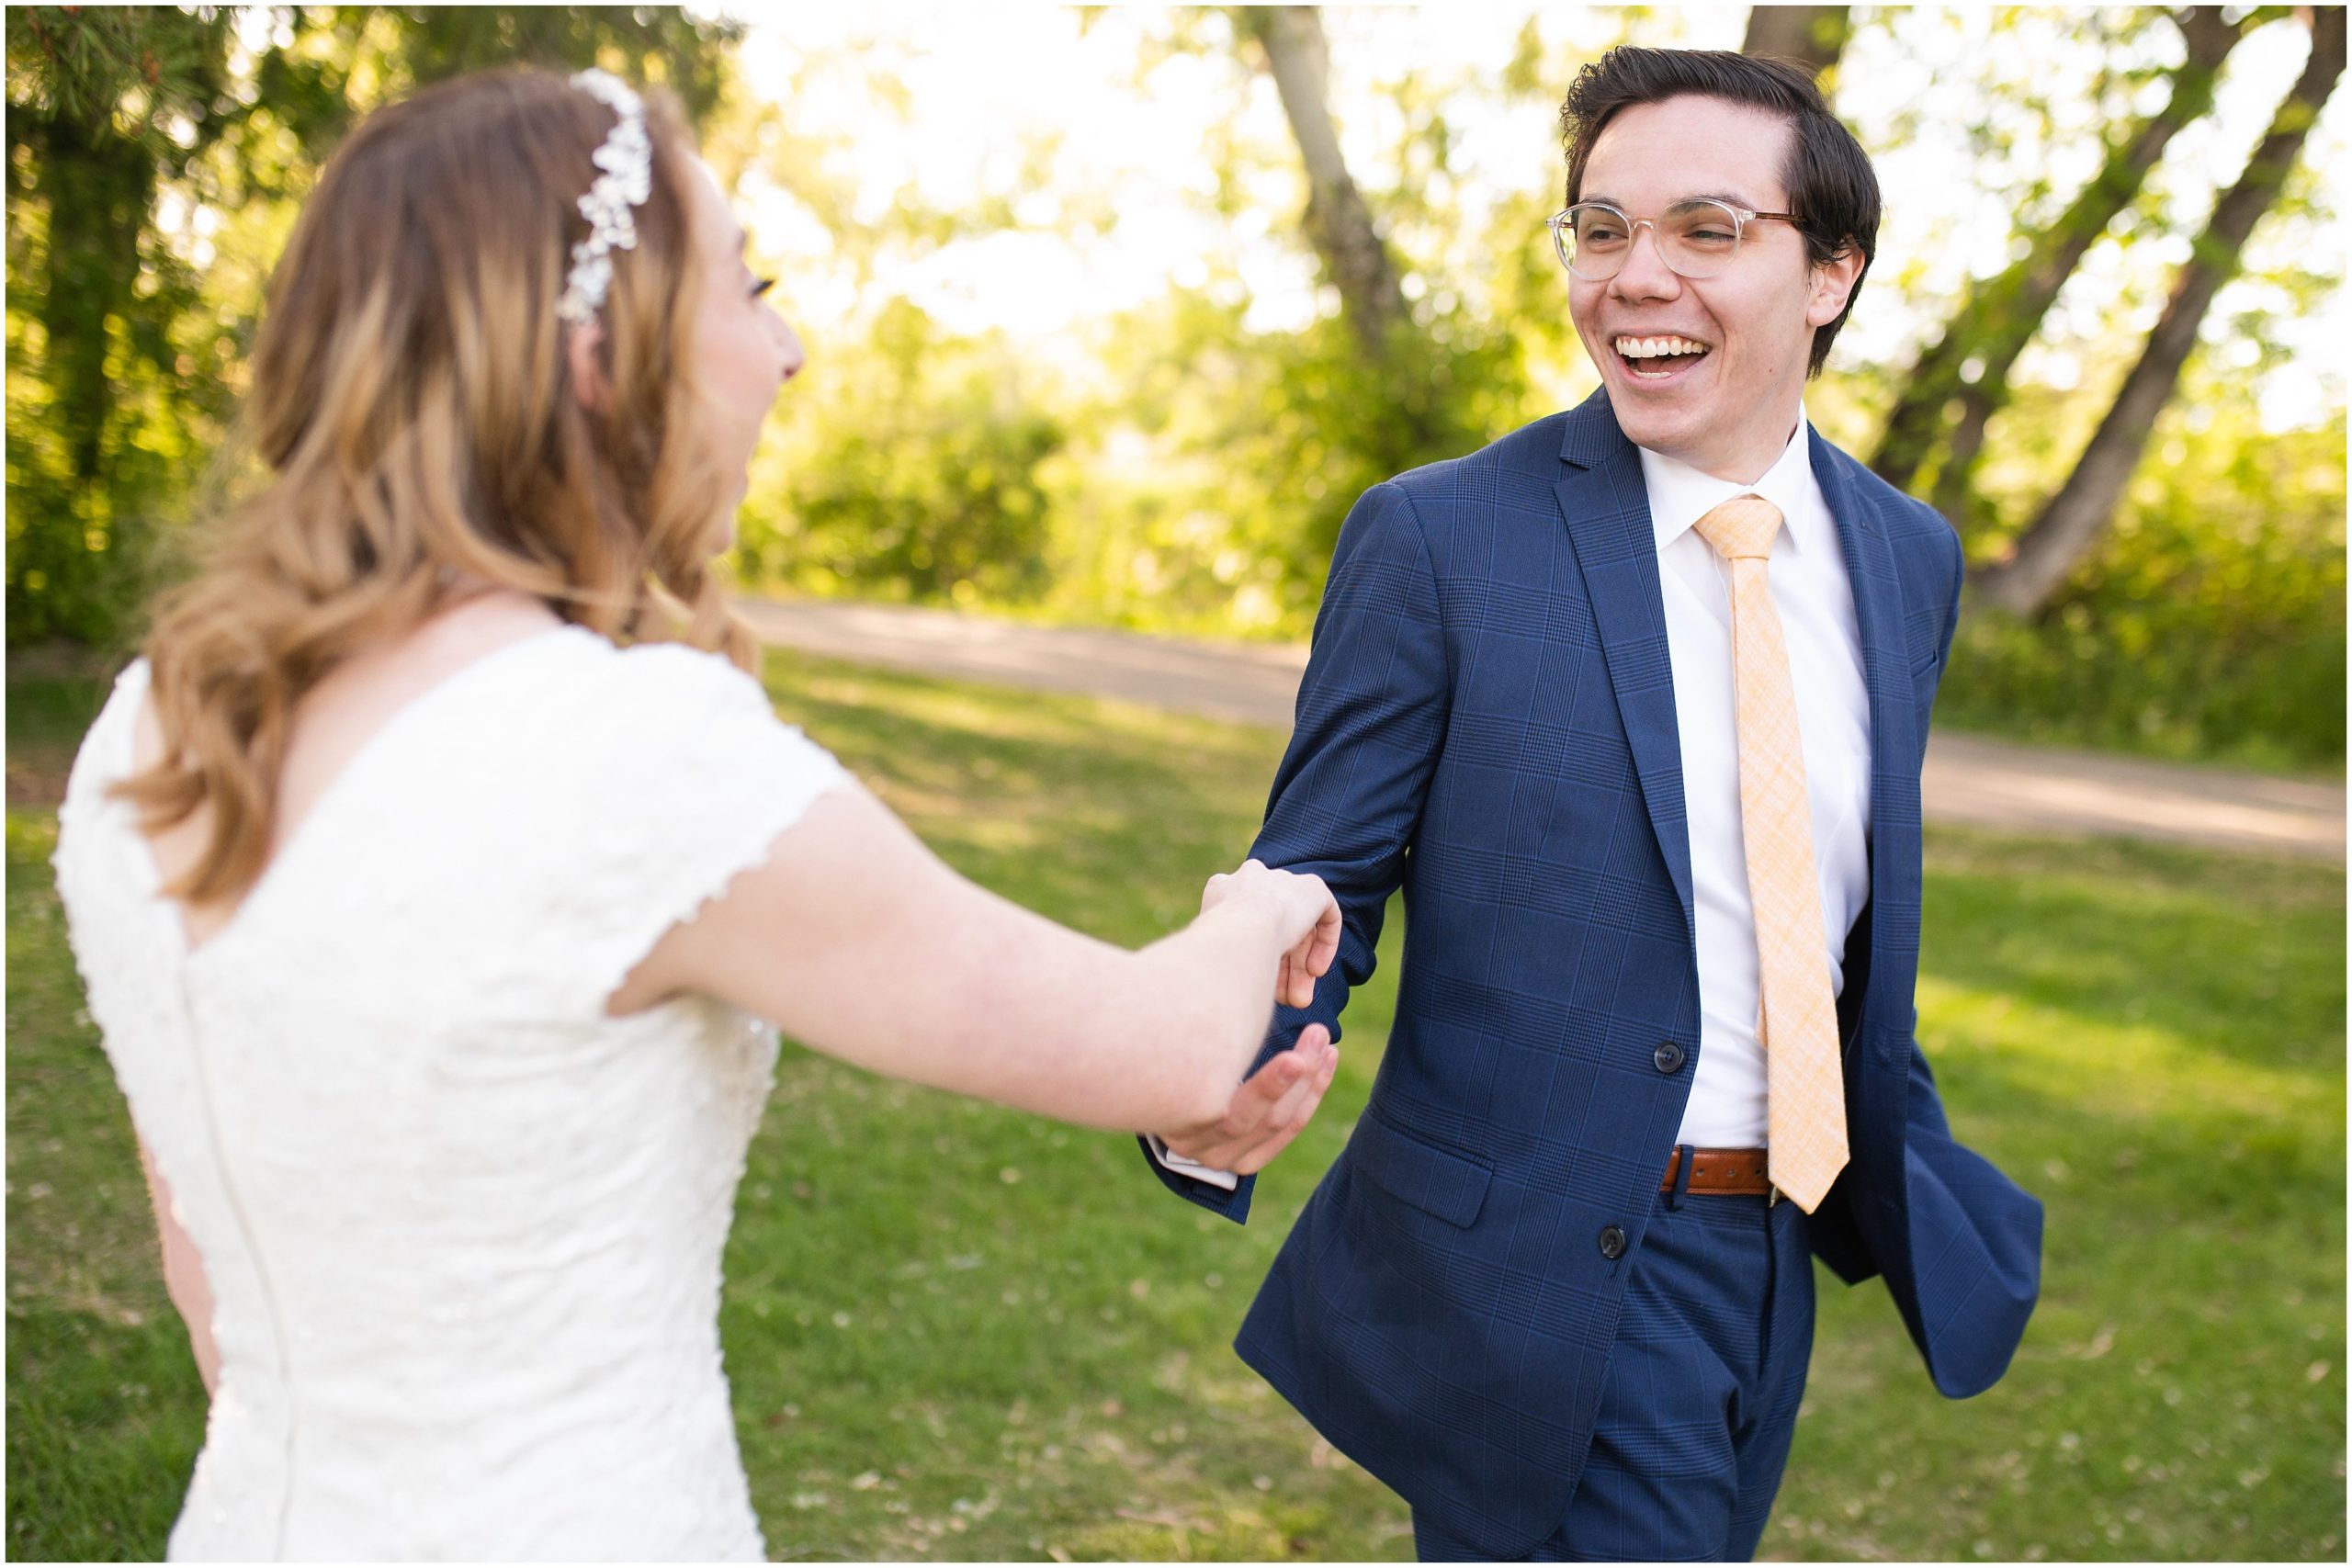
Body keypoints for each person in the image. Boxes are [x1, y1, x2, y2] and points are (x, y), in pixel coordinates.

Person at [52, 67, 1344, 1560]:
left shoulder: (160, 725)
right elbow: (1167, 1045)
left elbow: (219, 1302)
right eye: (752, 286)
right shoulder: (629, 758)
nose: (787, 350)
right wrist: (1257, 904)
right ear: (601, 355)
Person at [1143, 46, 2044, 1562]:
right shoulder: (1440, 540)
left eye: (1706, 232)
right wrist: (1222, 1076)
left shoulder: (1907, 558)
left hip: (1782, 1256)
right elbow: (1316, 879)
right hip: (1559, 1266)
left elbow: (1823, 904)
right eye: (1601, 228)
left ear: (1829, 274)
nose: (1636, 278)